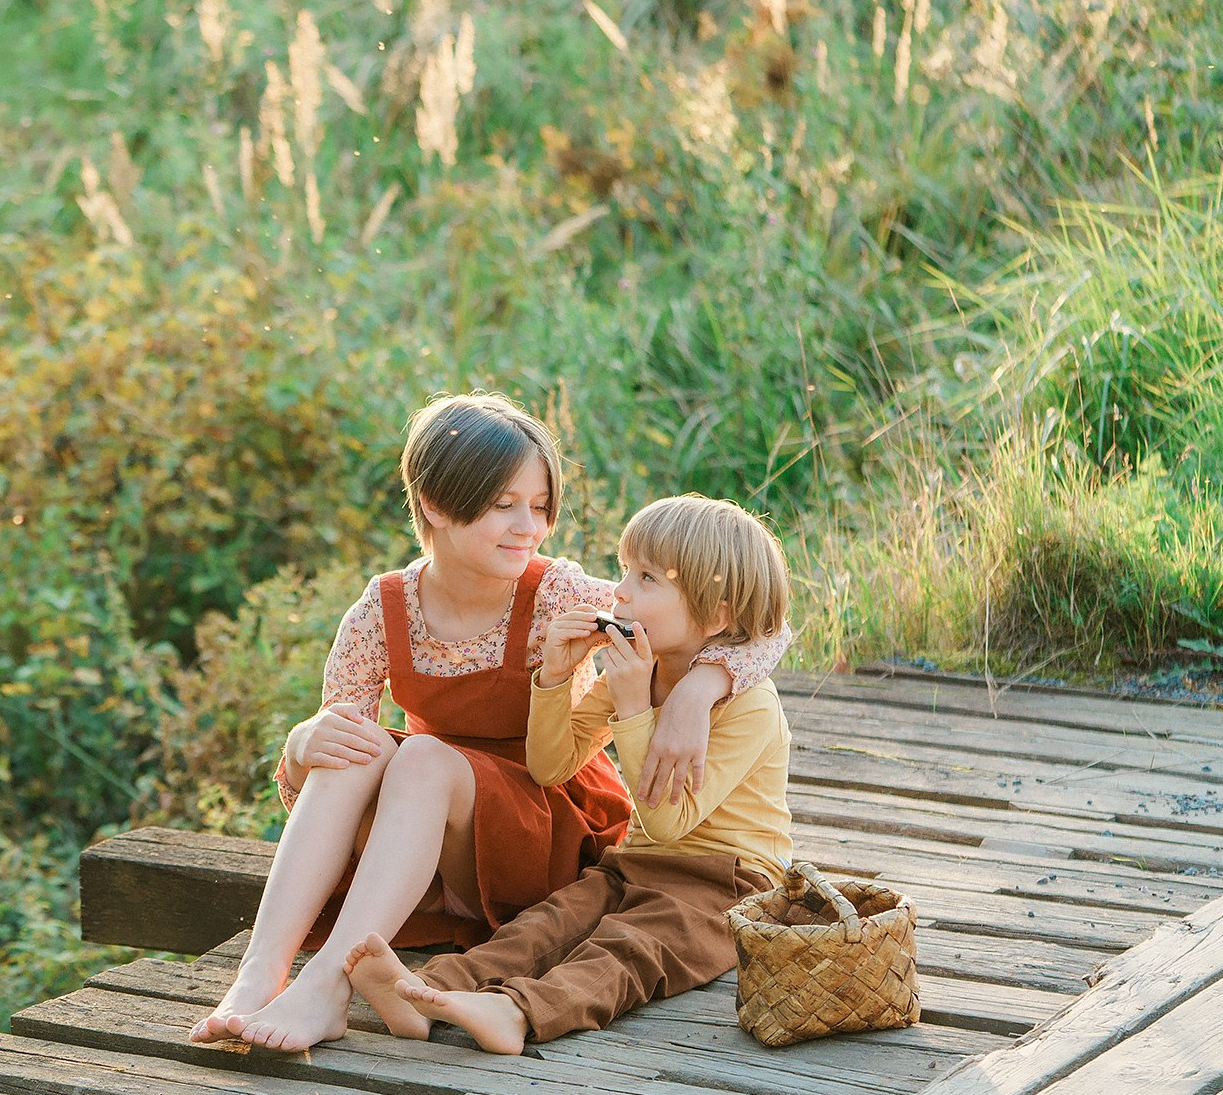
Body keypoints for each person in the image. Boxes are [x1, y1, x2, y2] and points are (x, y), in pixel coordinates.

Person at [191, 396, 788, 1053]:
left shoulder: (562, 594)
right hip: (438, 842)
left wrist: (699, 687)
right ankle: (260, 973)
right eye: (504, 504)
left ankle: (331, 982)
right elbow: (328, 776)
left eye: (539, 505)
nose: (527, 525)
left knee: (420, 757)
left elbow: (756, 622)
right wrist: (302, 745)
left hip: (546, 829)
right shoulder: (381, 609)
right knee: (351, 744)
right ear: (435, 506)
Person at [345, 493, 792, 1055]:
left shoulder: (749, 706)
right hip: (635, 863)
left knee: (627, 949)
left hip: (730, 883)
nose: (622, 591)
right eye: (627, 570)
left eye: (648, 578)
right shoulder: (638, 671)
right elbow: (549, 766)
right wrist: (556, 677)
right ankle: (427, 989)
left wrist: (634, 710)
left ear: (718, 614)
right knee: (547, 923)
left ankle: (514, 1013)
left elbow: (670, 821)